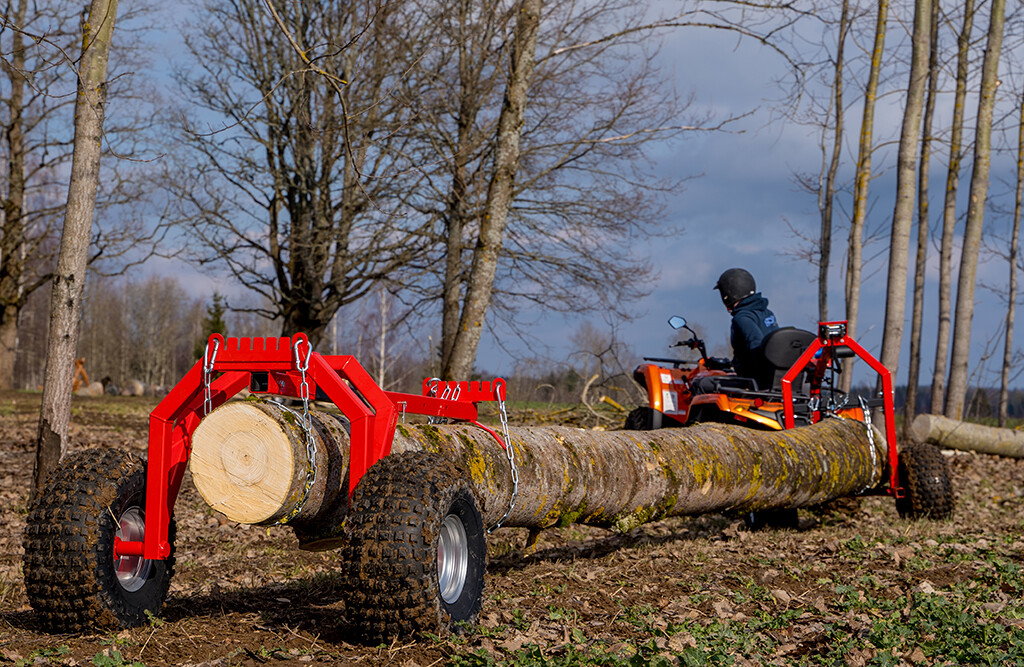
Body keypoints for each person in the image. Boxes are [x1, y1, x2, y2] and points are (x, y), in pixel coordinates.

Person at [713, 268, 778, 380]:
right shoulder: (767, 313)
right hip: (775, 378)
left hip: (754, 381)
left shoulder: (742, 318)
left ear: (728, 293)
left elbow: (756, 344)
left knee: (700, 384)